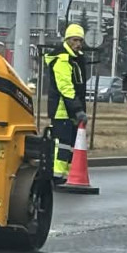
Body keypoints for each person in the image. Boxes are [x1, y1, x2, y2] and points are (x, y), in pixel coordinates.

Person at [44, 23, 88, 183]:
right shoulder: (63, 58)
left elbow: (78, 87)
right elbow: (66, 87)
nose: (78, 44)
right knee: (62, 144)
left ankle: (67, 175)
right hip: (62, 109)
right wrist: (77, 109)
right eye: (75, 40)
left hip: (70, 109)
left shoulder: (75, 58)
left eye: (80, 41)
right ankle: (56, 176)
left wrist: (79, 109)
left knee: (69, 144)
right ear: (67, 39)